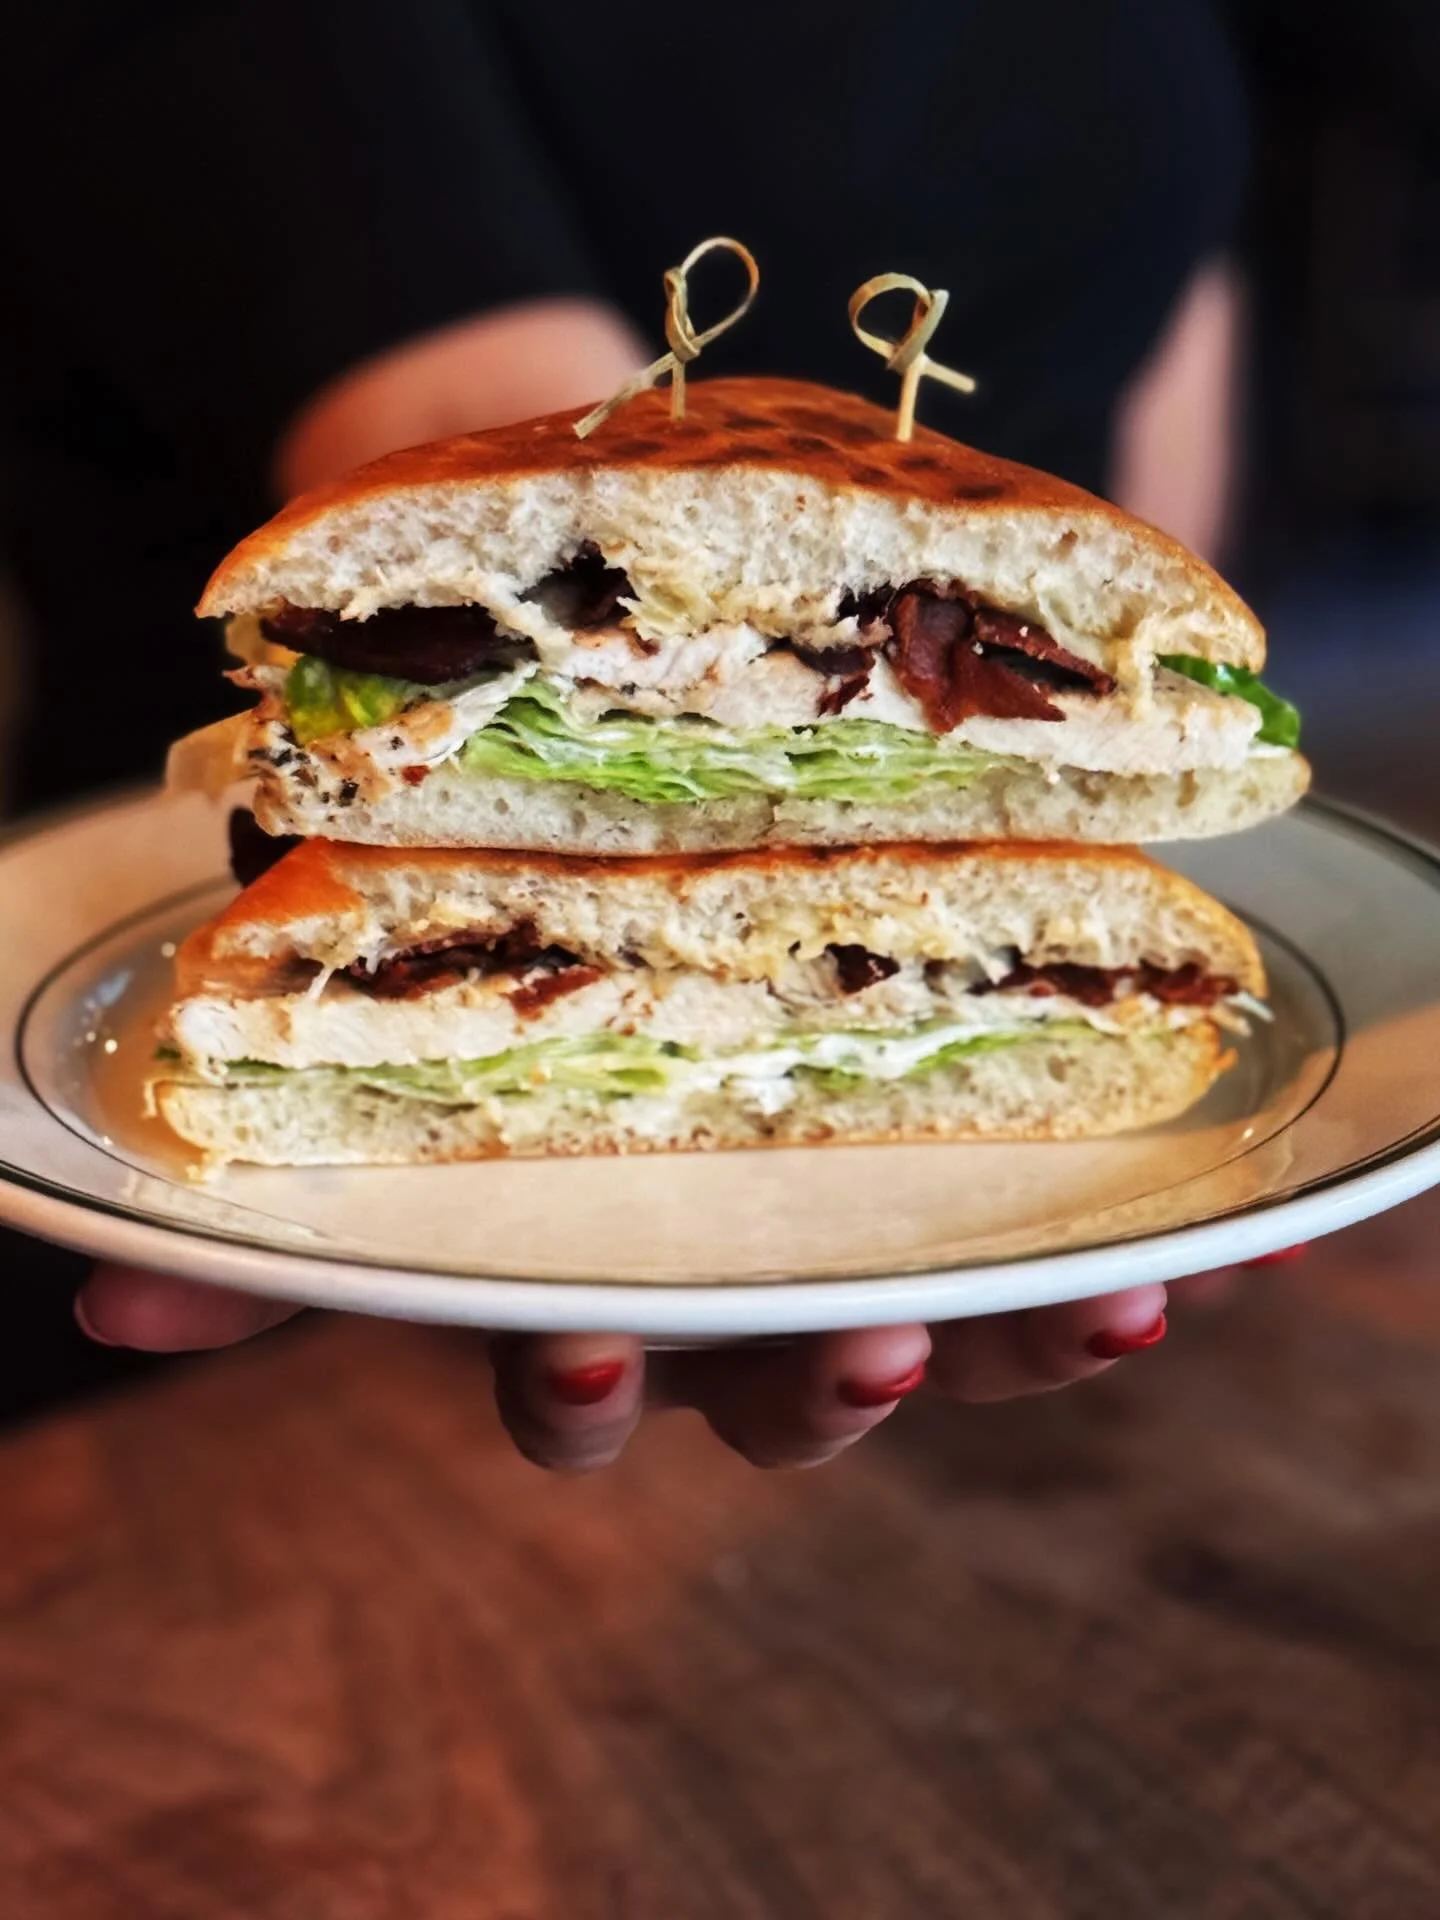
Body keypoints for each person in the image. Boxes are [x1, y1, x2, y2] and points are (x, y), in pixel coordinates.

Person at [3, 0, 1256, 1468]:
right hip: (185, 1341)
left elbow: (1173, 296)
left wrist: (1115, 738)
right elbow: (377, 256)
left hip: (985, 1301)